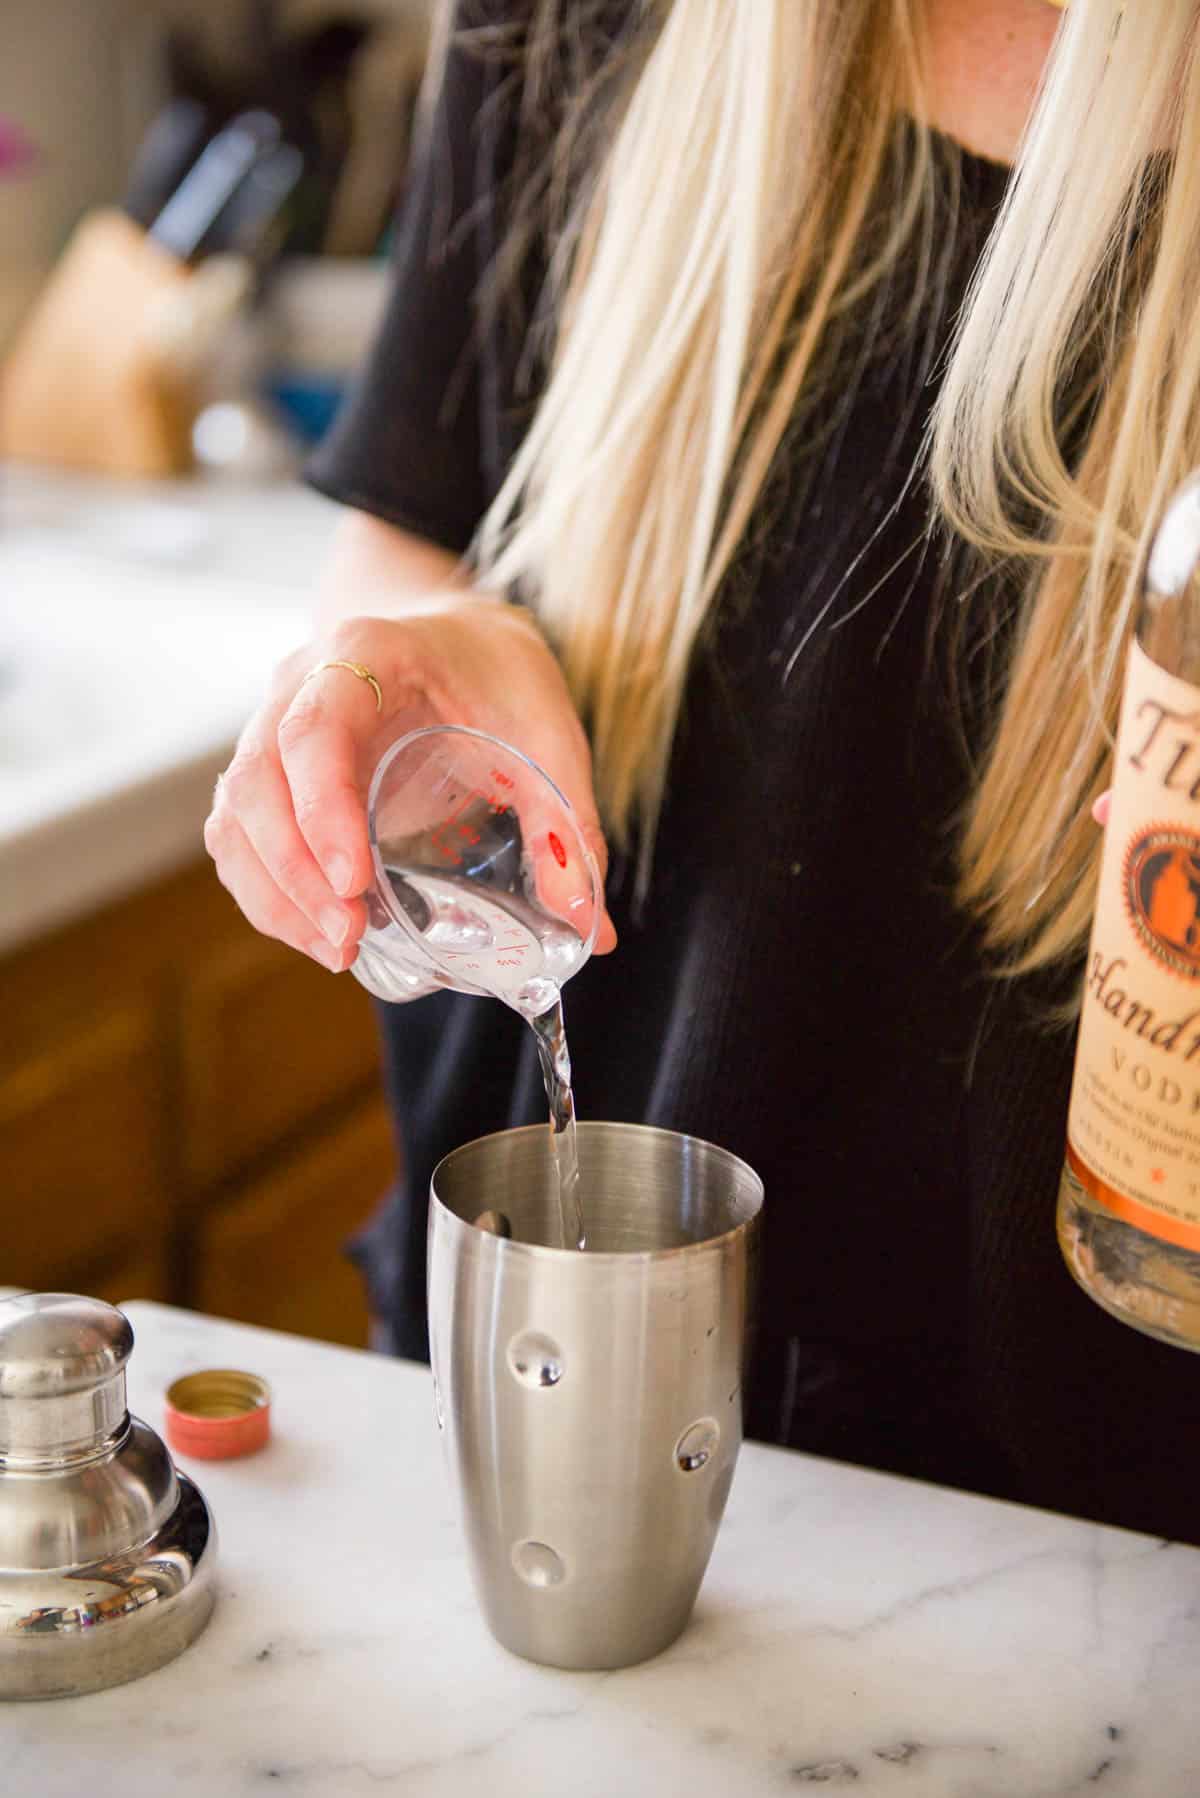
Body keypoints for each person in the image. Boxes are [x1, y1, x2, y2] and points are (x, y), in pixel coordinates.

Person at [206, 0, 1200, 1542]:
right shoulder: (571, 24)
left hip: (1093, 1509)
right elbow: (407, 530)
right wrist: (415, 675)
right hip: (525, 1406)